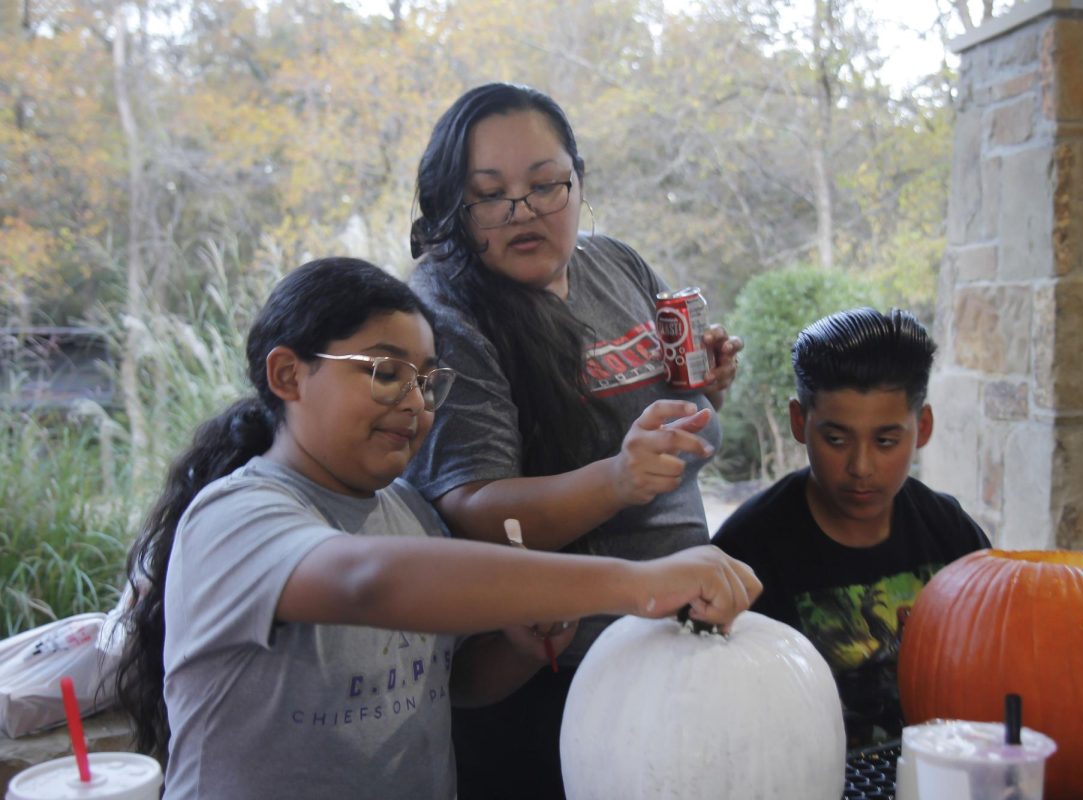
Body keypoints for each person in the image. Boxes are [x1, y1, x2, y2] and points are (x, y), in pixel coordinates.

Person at [113, 257, 760, 800]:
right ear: (289, 375)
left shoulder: (412, 514)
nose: (416, 403)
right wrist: (636, 585)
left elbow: (453, 684)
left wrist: (519, 646)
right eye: (386, 372)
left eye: (427, 381)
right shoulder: (236, 516)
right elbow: (366, 582)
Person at [406, 82, 745, 798]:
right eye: (490, 195)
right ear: (453, 208)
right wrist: (616, 479)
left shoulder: (615, 265)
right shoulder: (448, 317)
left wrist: (701, 394)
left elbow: (668, 423)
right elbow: (471, 511)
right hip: (558, 672)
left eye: (546, 185)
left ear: (579, 181)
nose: (522, 211)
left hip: (680, 635)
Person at [712, 307, 990, 748]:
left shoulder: (951, 535)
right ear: (800, 422)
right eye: (836, 440)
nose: (861, 467)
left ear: (924, 427)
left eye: (885, 441)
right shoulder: (746, 552)